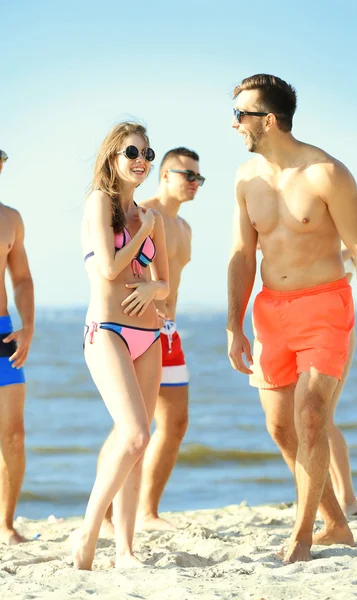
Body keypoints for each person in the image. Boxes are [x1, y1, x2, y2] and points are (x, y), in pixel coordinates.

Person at [227, 74, 357, 564]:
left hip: (325, 306)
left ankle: (301, 536)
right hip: (270, 313)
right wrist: (234, 325)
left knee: (313, 416)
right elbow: (242, 253)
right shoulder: (245, 178)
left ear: (269, 120)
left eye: (241, 115)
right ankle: (336, 524)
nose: (234, 124)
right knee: (281, 429)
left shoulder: (327, 173)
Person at [73, 122, 169, 570]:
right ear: (113, 156)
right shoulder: (99, 204)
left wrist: (153, 291)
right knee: (133, 435)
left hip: (148, 337)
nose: (141, 160)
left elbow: (163, 284)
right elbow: (110, 269)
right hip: (107, 330)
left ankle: (126, 551)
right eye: (132, 151)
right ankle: (89, 532)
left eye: (148, 154)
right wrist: (141, 232)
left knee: (140, 445)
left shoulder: (153, 218)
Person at [100, 147, 204, 533]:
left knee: (176, 422)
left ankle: (148, 511)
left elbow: (170, 282)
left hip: (170, 331)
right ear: (165, 174)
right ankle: (109, 515)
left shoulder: (185, 229)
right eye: (187, 175)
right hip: (136, 328)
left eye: (199, 178)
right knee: (128, 426)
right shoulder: (139, 213)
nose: (195, 183)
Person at [0, 148, 34, 544]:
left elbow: (22, 278)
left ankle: (6, 525)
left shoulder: (10, 219)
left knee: (13, 435)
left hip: (4, 332)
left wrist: (28, 325)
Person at [328, 245, 357, 517]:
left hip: (336, 330)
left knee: (323, 417)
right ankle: (340, 496)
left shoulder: (346, 245)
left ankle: (348, 498)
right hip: (306, 329)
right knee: (311, 421)